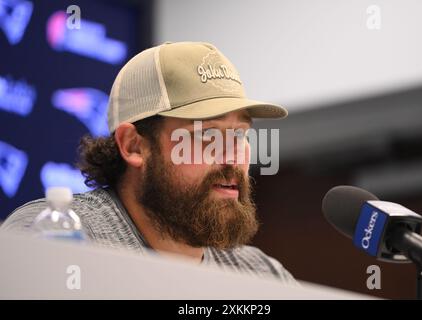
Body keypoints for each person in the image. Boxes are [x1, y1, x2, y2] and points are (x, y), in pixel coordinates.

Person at [1, 41, 296, 284]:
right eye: (206, 134)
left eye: (240, 134)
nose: (232, 156)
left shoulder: (262, 275)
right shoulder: (53, 238)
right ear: (133, 145)